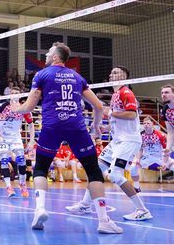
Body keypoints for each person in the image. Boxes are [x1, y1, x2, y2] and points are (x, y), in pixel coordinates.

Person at [11, 42, 122, 233]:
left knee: (41, 168)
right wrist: (95, 126)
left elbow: (29, 107)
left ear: (55, 57)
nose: (45, 54)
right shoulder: (77, 77)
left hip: (52, 126)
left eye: (48, 52)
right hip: (76, 127)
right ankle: (104, 221)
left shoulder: (42, 75)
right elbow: (98, 106)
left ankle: (40, 209)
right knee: (93, 171)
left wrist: (16, 109)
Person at [65, 66, 151, 222]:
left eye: (116, 73)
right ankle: (85, 204)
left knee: (115, 174)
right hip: (117, 141)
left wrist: (110, 113)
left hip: (129, 140)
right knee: (96, 170)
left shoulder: (126, 92)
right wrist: (106, 127)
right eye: (111, 72)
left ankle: (142, 210)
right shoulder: (115, 95)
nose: (112, 74)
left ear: (125, 76)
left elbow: (131, 115)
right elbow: (118, 119)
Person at [0, 87, 35, 197]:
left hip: (15, 137)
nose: (14, 95)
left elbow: (31, 124)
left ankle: (22, 184)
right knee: (4, 159)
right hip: (2, 138)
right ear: (10, 95)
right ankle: (9, 187)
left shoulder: (24, 108)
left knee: (21, 158)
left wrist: (31, 140)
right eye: (12, 93)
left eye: (16, 93)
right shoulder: (2, 106)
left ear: (19, 96)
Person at [129, 116, 167, 192]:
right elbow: (140, 149)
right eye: (144, 123)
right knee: (133, 168)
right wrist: (138, 159)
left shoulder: (160, 135)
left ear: (152, 124)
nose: (146, 125)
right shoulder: (141, 135)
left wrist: (164, 162)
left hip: (160, 157)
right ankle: (137, 187)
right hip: (147, 158)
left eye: (148, 123)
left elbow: (165, 150)